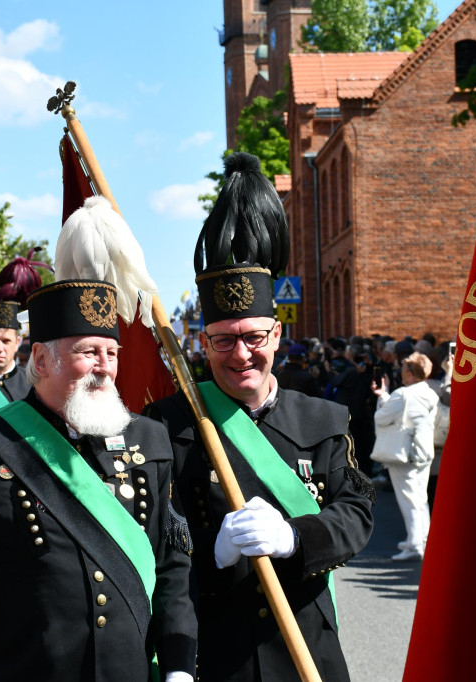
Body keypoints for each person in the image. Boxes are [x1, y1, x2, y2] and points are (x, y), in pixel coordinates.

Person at [145, 152, 374, 681]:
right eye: (224, 340)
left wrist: (296, 537)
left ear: (277, 335)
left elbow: (357, 514)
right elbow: (150, 540)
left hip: (305, 651)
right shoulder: (166, 423)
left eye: (253, 338)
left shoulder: (324, 419)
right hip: (213, 653)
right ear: (204, 343)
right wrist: (213, 550)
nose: (241, 354)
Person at [0, 278, 197, 681]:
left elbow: (171, 570)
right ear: (41, 360)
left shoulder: (150, 440)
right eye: (88, 352)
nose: (104, 367)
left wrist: (179, 665)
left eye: (111, 352)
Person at [371, 352, 439, 561]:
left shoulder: (403, 395)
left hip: (404, 452)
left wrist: (383, 396)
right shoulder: (430, 393)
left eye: (403, 370)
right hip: (424, 449)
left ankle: (414, 544)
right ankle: (422, 539)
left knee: (408, 499)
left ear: (409, 373)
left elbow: (381, 417)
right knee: (420, 498)